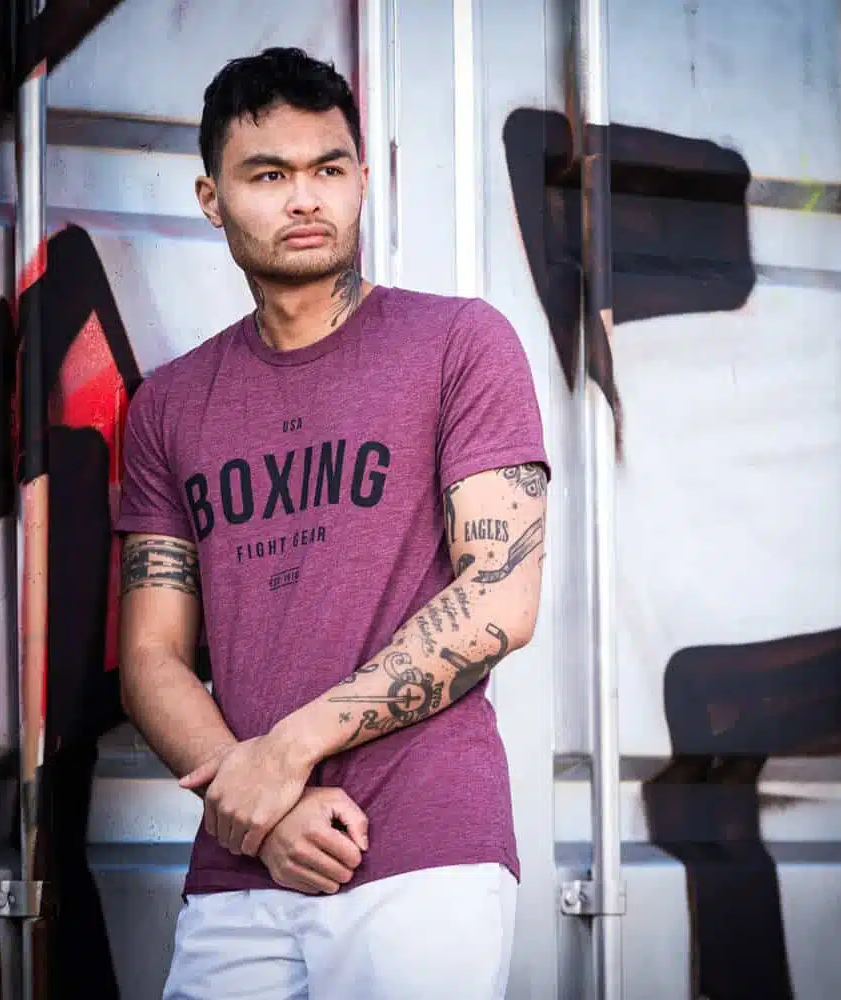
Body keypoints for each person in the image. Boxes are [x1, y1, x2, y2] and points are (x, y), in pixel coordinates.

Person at [115, 46, 550, 1000]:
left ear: (362, 180)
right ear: (211, 197)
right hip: (240, 865)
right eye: (269, 175)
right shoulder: (170, 406)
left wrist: (287, 751)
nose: (305, 198)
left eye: (329, 168)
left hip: (424, 850)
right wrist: (262, 806)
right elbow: (150, 655)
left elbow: (499, 598)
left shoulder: (459, 343)